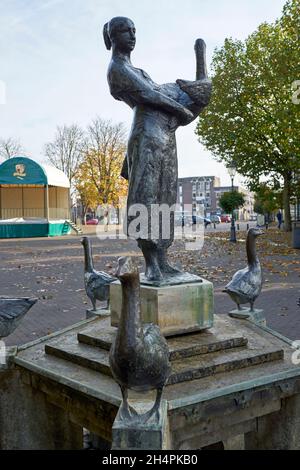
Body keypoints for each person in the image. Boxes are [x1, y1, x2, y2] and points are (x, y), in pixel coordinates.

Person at [103, 17, 211, 281]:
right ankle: (151, 264)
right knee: (147, 198)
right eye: (125, 31)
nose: (132, 35)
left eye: (134, 31)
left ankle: (163, 261)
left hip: (165, 136)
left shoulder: (139, 70)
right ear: (112, 38)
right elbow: (150, 96)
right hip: (147, 138)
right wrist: (183, 109)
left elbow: (166, 95)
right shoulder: (117, 69)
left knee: (165, 197)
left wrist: (198, 92)